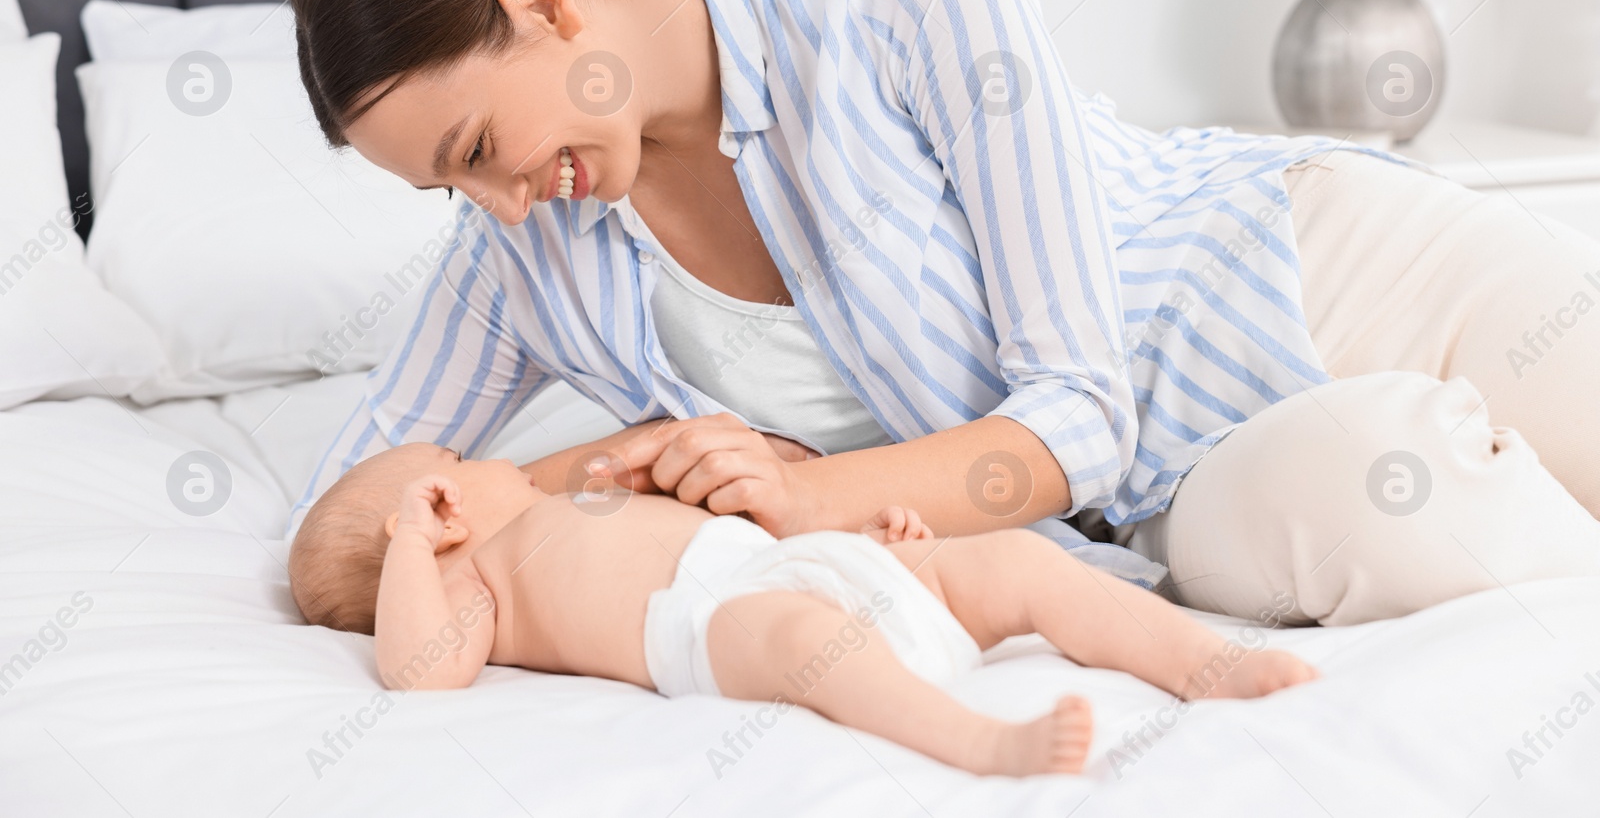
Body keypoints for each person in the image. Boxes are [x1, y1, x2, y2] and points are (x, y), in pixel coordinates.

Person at [287, 0, 1600, 627]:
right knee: (1411, 501)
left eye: (474, 146)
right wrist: (587, 471)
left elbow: (1078, 408)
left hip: (1331, 267)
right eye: (449, 187)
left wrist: (806, 491)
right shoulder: (520, 250)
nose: (499, 204)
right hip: (1178, 488)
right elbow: (341, 531)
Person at [288, 441, 1318, 776]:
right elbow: (424, 670)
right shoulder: (472, 577)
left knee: (1009, 560)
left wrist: (871, 555)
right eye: (449, 468)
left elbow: (740, 516)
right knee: (788, 636)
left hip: (807, 560)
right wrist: (414, 551)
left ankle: (1199, 660)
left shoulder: (561, 496)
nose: (481, 463)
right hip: (712, 628)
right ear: (431, 522)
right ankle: (979, 741)